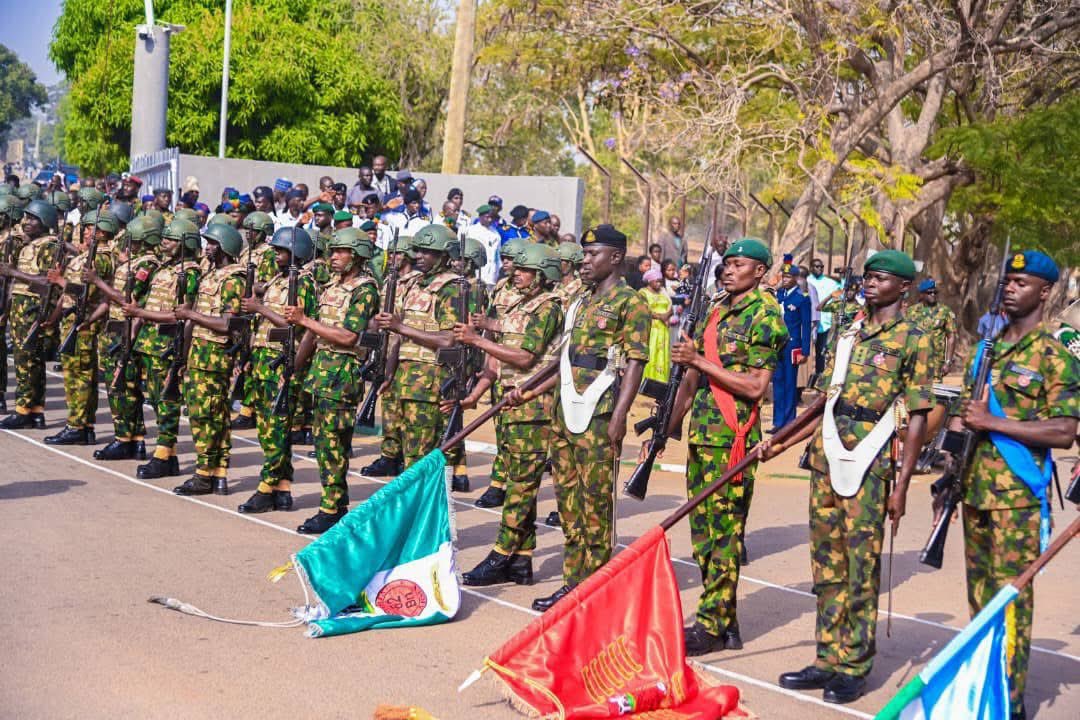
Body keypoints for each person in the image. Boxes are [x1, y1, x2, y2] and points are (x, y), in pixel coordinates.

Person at [771, 249, 932, 705]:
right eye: (867, 277)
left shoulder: (914, 337)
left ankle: (854, 665)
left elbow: (918, 415)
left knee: (861, 567)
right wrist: (781, 440)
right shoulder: (850, 330)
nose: (870, 284)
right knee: (827, 564)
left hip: (871, 458)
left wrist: (901, 484)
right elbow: (824, 395)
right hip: (827, 453)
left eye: (880, 279)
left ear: (903, 287)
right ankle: (826, 657)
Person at [945, 251, 1077, 720]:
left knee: (1011, 601)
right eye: (1007, 281)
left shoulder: (1054, 354)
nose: (1009, 288)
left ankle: (1010, 701)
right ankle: (984, 687)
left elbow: (1064, 431)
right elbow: (964, 417)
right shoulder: (987, 348)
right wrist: (949, 473)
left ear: (1045, 292)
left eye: (1021, 282)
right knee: (979, 600)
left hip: (1016, 500)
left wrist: (995, 424)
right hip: (975, 490)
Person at [652, 238, 788, 654]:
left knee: (725, 535)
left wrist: (698, 361)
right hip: (701, 438)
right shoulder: (716, 309)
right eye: (726, 265)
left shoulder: (766, 317)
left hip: (733, 439)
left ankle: (710, 626)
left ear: (760, 272)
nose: (728, 270)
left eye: (739, 265)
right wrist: (663, 434)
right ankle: (726, 621)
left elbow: (755, 386)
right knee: (704, 536)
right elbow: (690, 385)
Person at [519, 224, 649, 612]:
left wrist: (621, 415)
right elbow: (561, 360)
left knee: (596, 507)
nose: (585, 261)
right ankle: (572, 584)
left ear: (616, 258)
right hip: (566, 411)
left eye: (594, 255)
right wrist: (527, 390)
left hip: (599, 413)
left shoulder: (632, 303)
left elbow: (636, 363)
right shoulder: (580, 301)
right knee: (569, 504)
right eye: (584, 254)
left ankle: (596, 591)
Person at [457, 244, 564, 586]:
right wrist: (476, 394)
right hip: (510, 403)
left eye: (525, 270)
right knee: (523, 481)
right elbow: (498, 362)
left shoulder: (548, 307)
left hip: (534, 408)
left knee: (520, 485)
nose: (515, 273)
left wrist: (476, 339)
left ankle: (501, 554)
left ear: (542, 275)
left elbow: (523, 357)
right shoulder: (518, 303)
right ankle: (522, 558)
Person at [372, 224, 466, 472]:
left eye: (428, 252)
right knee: (408, 451)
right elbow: (399, 335)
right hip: (406, 378)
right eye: (418, 251)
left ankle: (418, 507)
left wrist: (400, 327)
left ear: (444, 255)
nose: (419, 256)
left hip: (429, 382)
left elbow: (449, 339)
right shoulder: (414, 284)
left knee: (419, 455)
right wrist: (389, 373)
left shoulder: (451, 288)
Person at [122, 218, 202, 479]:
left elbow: (183, 314)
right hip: (150, 343)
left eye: (171, 239)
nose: (164, 242)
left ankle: (164, 454)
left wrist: (139, 312)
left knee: (167, 401)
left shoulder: (190, 273)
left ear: (184, 244)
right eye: (164, 237)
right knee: (156, 400)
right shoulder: (163, 268)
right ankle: (168, 454)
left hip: (167, 345)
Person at [173, 223, 247, 496]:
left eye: (213, 243)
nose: (207, 247)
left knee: (206, 416)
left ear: (225, 247)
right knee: (211, 415)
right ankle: (217, 473)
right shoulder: (211, 275)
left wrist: (190, 315)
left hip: (215, 357)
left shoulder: (232, 280)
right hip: (200, 354)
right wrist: (183, 354)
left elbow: (228, 324)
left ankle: (206, 473)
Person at [85, 214, 162, 459]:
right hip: (115, 327)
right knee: (118, 386)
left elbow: (129, 301)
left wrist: (97, 281)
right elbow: (110, 301)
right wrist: (89, 321)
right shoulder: (133, 262)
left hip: (128, 330)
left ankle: (127, 438)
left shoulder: (147, 265)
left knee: (123, 385)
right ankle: (131, 437)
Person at [43, 209, 117, 446]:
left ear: (103, 231)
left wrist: (59, 281)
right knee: (75, 373)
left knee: (80, 376)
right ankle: (81, 425)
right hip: (71, 318)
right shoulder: (87, 255)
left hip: (83, 323)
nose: (85, 231)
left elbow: (87, 293)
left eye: (89, 227)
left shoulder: (101, 257)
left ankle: (78, 425)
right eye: (84, 227)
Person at [360, 236, 422, 478]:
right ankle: (389, 454)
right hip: (385, 347)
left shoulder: (415, 282)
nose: (393, 259)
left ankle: (404, 456)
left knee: (405, 407)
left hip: (404, 347)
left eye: (398, 254)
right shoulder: (388, 281)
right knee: (388, 404)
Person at [0, 200, 60, 430]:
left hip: (33, 308)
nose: (26, 222)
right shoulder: (31, 245)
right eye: (25, 218)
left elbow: (48, 282)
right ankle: (35, 411)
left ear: (45, 222)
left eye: (33, 219)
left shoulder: (49, 246)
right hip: (21, 307)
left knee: (26, 360)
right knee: (29, 360)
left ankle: (23, 409)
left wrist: (14, 272)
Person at [771, 263, 812, 431]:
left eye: (788, 277)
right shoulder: (778, 295)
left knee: (789, 383)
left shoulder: (802, 298)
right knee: (777, 383)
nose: (785, 280)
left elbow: (806, 326)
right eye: (784, 276)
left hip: (792, 346)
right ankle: (778, 421)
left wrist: (805, 350)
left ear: (795, 278)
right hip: (776, 345)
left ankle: (789, 422)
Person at [906, 278, 958, 380]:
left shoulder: (944, 311)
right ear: (921, 294)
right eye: (929, 293)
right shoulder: (911, 312)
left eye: (935, 292)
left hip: (936, 363)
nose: (933, 295)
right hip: (914, 361)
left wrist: (948, 362)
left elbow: (951, 337)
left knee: (933, 393)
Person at [639, 266, 672, 383]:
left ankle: (660, 382)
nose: (659, 284)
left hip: (663, 329)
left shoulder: (663, 292)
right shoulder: (643, 293)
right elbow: (642, 310)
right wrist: (659, 316)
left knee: (662, 355)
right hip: (651, 329)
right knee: (651, 353)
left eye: (660, 281)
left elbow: (670, 306)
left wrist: (666, 315)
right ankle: (645, 382)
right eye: (656, 281)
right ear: (649, 281)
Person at [805, 258, 838, 375]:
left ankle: (818, 377)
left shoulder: (831, 283)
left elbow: (842, 292)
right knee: (806, 351)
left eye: (821, 267)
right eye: (816, 266)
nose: (819, 269)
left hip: (824, 323)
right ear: (810, 268)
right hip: (807, 322)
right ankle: (805, 377)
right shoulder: (805, 281)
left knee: (820, 352)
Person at [464, 204, 502, 286]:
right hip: (476, 272)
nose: (489, 220)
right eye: (487, 217)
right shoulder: (471, 231)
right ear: (480, 217)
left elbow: (497, 256)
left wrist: (498, 271)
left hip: (491, 274)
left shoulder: (495, 234)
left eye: (492, 217)